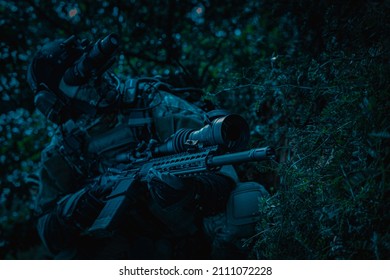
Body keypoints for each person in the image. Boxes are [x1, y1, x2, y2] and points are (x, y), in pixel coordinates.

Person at [27, 33, 269, 259]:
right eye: (81, 78)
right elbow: (49, 234)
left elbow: (225, 177)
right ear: (54, 101)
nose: (97, 80)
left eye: (96, 70)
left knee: (246, 203)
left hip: (191, 232)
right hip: (132, 249)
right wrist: (85, 202)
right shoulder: (64, 152)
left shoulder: (152, 105)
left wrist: (191, 190)